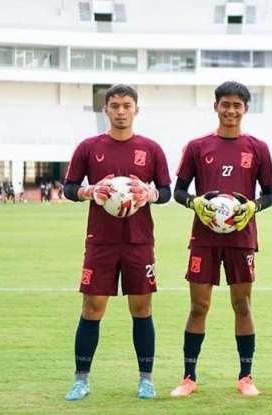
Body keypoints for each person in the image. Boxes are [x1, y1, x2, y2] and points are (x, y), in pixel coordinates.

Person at [61, 84, 172, 401]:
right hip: (101, 242)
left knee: (142, 307)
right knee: (92, 308)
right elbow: (69, 187)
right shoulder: (88, 147)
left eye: (127, 105)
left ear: (137, 109)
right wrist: (89, 191)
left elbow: (165, 191)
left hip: (139, 241)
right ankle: (81, 380)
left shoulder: (151, 149)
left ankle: (146, 380)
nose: (121, 111)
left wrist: (149, 193)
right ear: (105, 110)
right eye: (115, 106)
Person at [171, 81, 272, 397]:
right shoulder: (197, 146)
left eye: (237, 105)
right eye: (225, 104)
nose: (231, 110)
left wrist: (253, 206)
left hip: (242, 237)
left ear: (245, 109)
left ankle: (246, 376)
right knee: (198, 306)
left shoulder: (258, 148)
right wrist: (195, 202)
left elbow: (269, 194)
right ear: (216, 106)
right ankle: (188, 377)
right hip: (203, 237)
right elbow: (178, 191)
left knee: (242, 304)